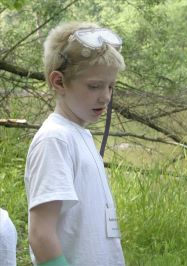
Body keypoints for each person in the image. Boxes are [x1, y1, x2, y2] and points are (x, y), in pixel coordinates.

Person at [24, 21, 125, 266]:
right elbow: (40, 234)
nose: (106, 96)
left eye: (110, 86)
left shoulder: (79, 135)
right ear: (58, 82)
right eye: (94, 86)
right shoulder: (55, 139)